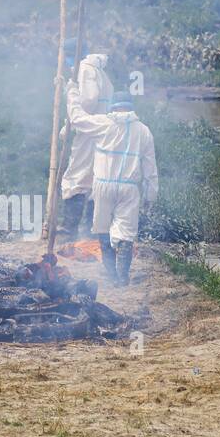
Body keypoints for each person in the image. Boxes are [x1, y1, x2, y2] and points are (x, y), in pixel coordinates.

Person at [64, 89, 157, 285]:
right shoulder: (144, 130)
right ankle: (121, 278)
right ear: (131, 107)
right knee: (126, 233)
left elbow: (77, 118)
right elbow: (150, 169)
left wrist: (71, 92)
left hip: (103, 186)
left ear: (113, 106)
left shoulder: (104, 123)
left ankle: (111, 274)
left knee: (102, 228)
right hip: (129, 189)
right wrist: (150, 196)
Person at [59, 53, 114, 237]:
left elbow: (89, 101)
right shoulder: (100, 72)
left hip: (89, 131)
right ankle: (89, 230)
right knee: (94, 177)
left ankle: (70, 228)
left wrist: (72, 93)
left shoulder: (85, 68)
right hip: (101, 130)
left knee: (77, 175)